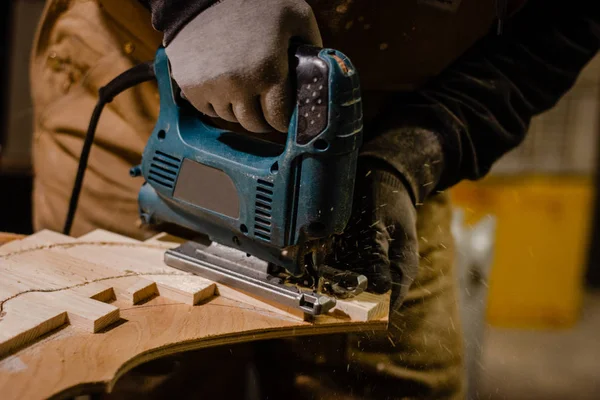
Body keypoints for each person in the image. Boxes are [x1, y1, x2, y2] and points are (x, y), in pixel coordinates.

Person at [29, 0, 599, 398]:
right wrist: (191, 6)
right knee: (143, 378)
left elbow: (553, 35)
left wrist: (406, 158)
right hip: (156, 61)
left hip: (382, 119)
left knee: (391, 383)